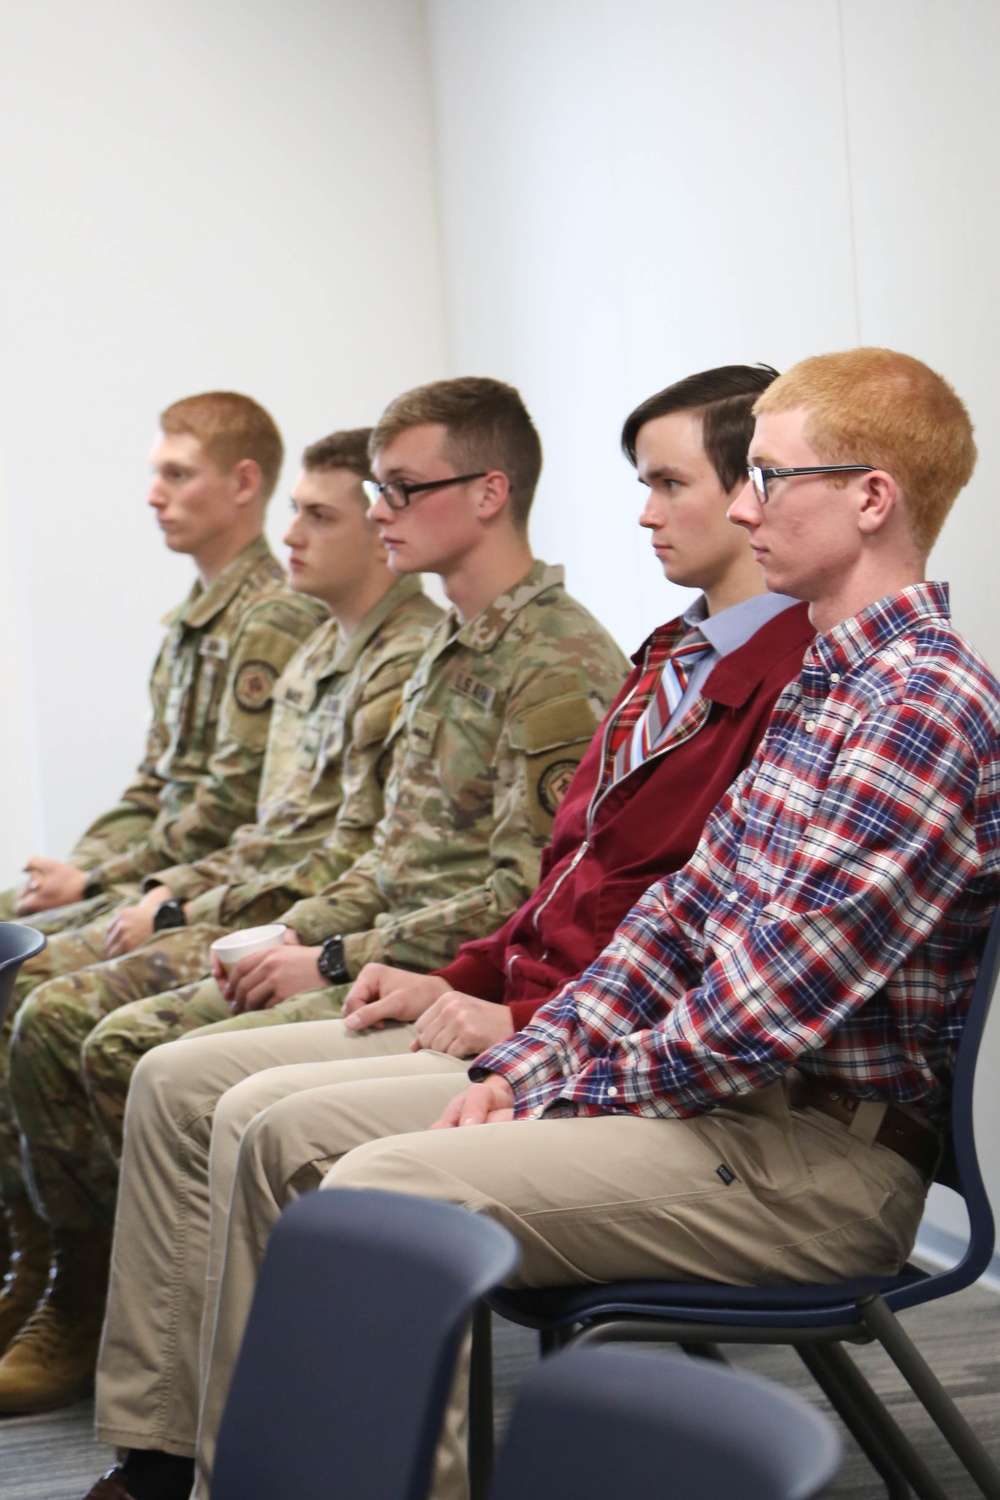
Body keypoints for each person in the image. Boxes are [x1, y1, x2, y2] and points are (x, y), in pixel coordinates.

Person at [94, 348, 1000, 1500]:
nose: (735, 504)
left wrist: (554, 1082)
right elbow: (675, 919)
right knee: (325, 1150)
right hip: (728, 1114)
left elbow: (758, 1009)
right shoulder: (830, 682)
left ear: (871, 498)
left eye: (767, 478)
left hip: (809, 1161)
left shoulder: (918, 703)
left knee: (383, 1190)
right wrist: (534, 1058)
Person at [2, 376, 626, 1415]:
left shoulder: (557, 661)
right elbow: (373, 852)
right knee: (126, 1038)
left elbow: (529, 893)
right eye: (371, 490)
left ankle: (203, 1373)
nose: (379, 512)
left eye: (399, 488)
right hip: (380, 949)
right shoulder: (451, 649)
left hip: (454, 984)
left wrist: (329, 956)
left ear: (487, 493)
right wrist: (296, 929)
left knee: (134, 1050)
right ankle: (158, 1370)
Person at [0, 428, 441, 1399]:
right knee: (25, 966)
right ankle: (58, 1270)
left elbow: (353, 858)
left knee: (60, 1010)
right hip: (273, 903)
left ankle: (108, 1296)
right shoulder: (321, 648)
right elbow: (237, 818)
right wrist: (142, 884)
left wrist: (202, 909)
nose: (295, 533)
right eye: (297, 510)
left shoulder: (410, 655)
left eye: (319, 514)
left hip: (327, 928)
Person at [0, 392, 323, 1380]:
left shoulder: (272, 617)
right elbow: (154, 787)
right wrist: (75, 871)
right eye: (155, 472)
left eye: (176, 474)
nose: (154, 495)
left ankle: (83, 1278)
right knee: (10, 930)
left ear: (243, 484)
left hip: (236, 892)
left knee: (32, 992)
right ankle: (40, 1247)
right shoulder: (192, 619)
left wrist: (100, 877)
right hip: (169, 869)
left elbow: (233, 814)